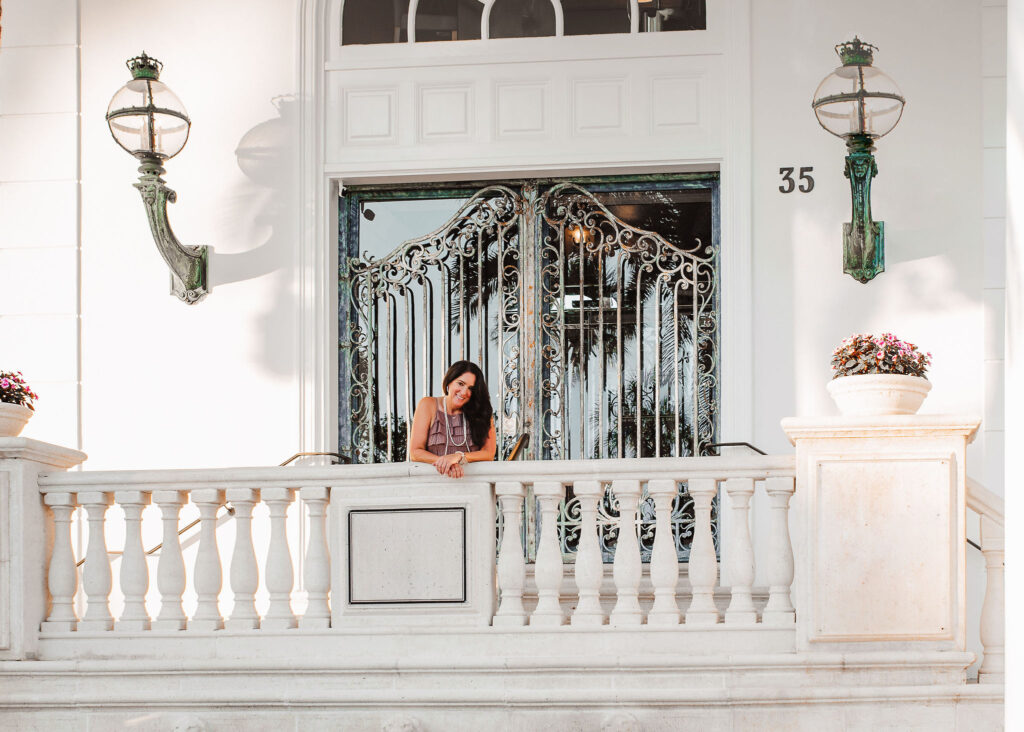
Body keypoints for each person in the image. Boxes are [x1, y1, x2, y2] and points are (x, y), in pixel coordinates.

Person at [409, 360, 497, 478]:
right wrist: (447, 462)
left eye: (471, 388)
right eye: (460, 384)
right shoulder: (428, 405)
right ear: (449, 381)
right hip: (432, 483)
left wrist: (459, 457)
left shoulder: (482, 412)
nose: (464, 392)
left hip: (472, 485)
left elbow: (488, 453)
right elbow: (415, 452)